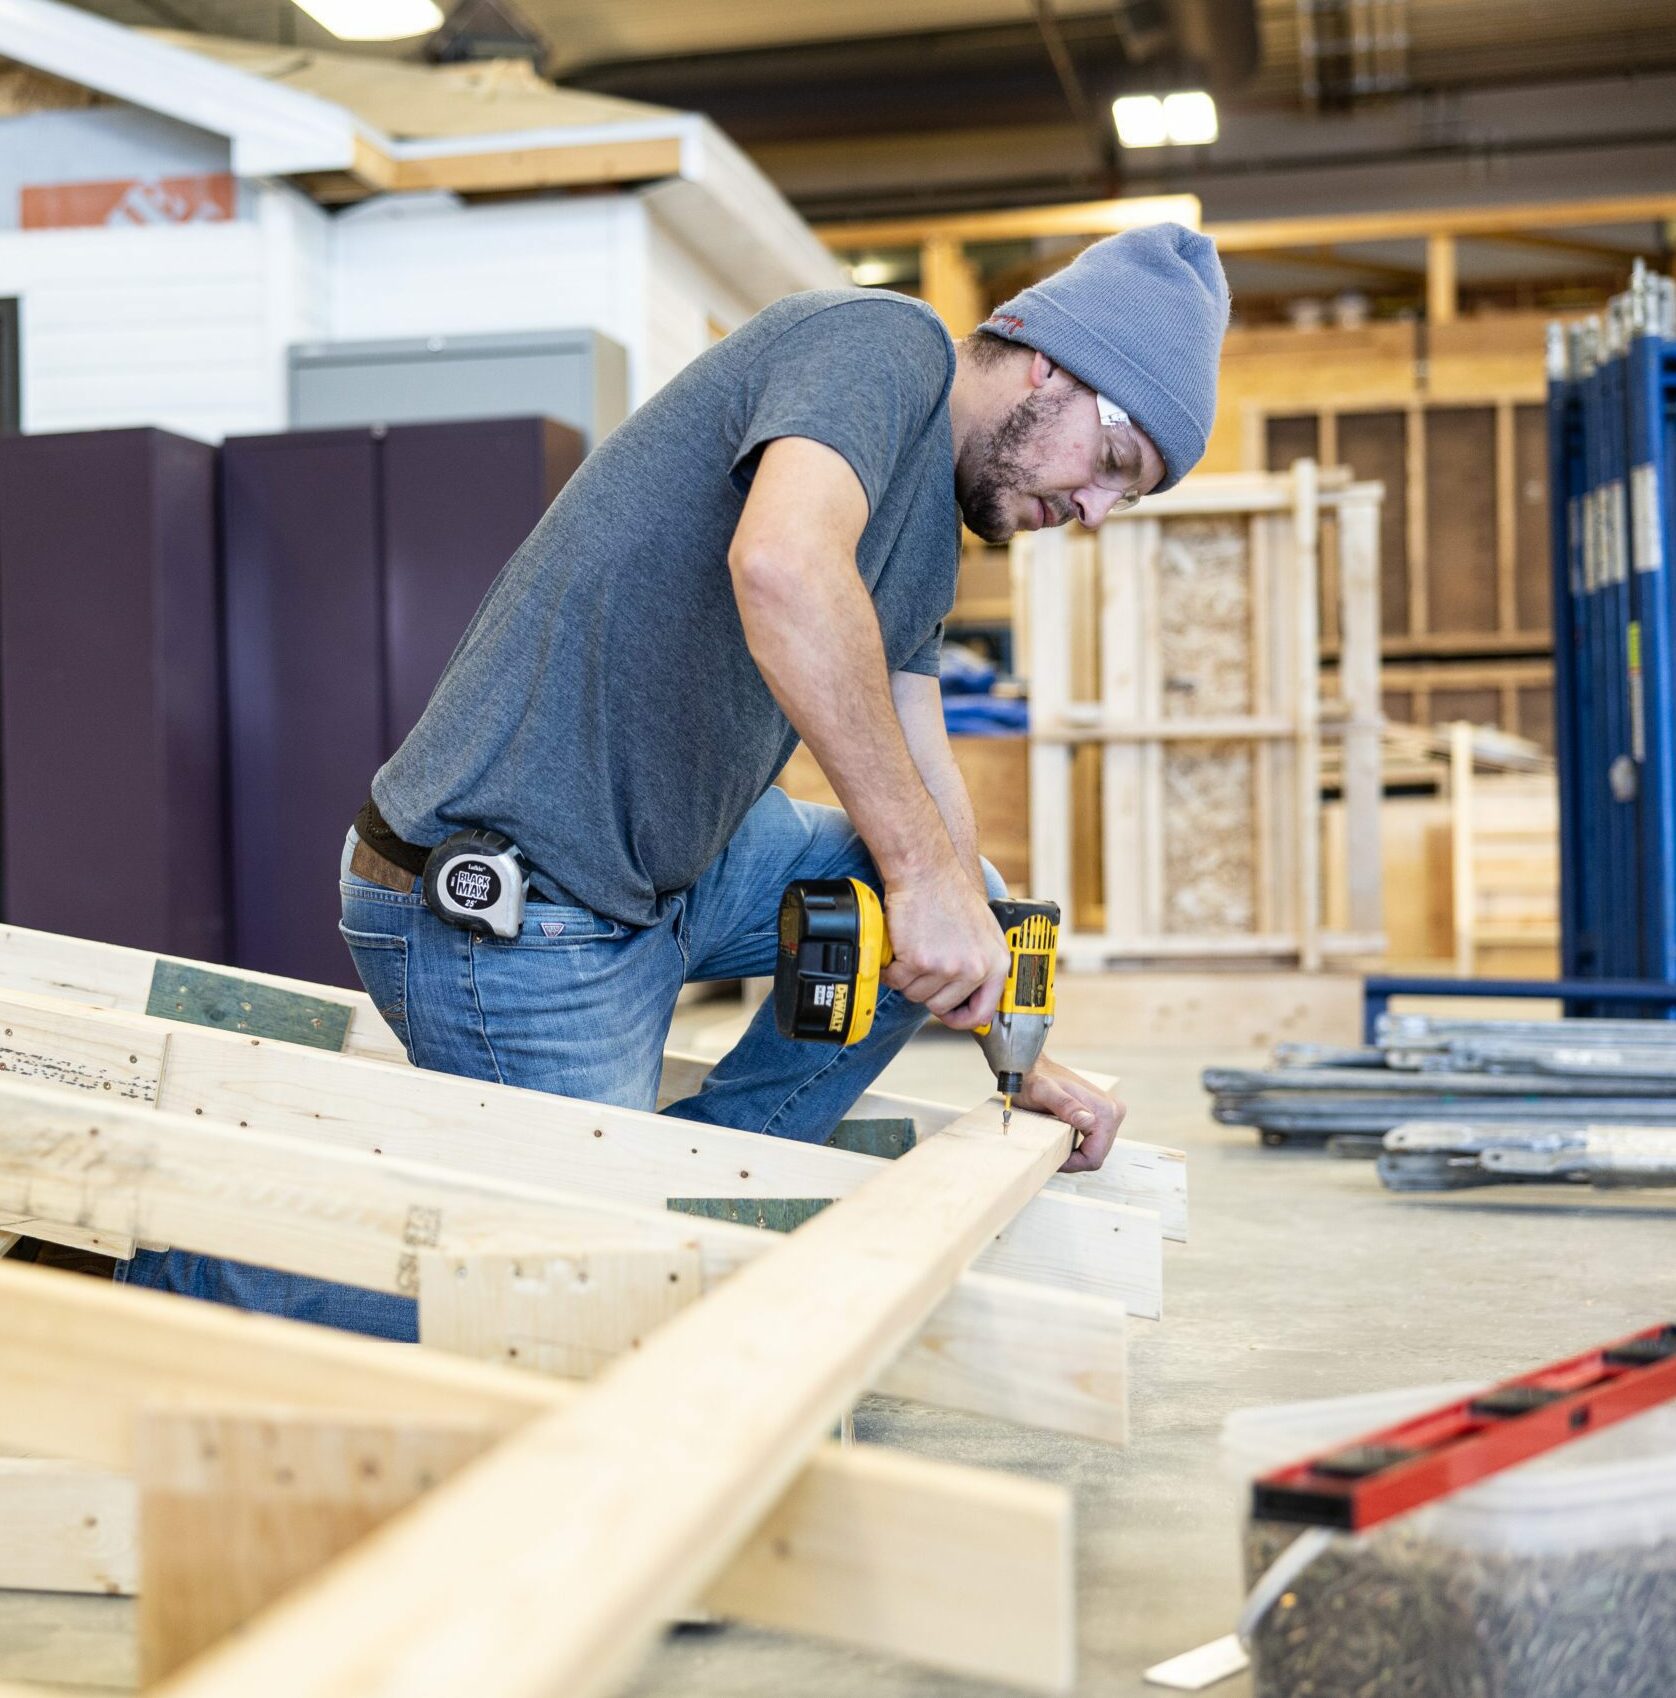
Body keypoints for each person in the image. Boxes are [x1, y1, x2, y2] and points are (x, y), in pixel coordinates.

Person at [122, 221, 1229, 1334]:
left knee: (958, 886)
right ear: (1054, 363)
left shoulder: (929, 530)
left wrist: (1009, 1045)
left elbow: (918, 751)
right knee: (580, 1298)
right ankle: (181, 1283)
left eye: (1121, 501)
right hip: (514, 896)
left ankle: (721, 1197)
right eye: (1113, 466)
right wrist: (922, 882)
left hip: (669, 870)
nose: (1092, 509)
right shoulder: (879, 342)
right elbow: (783, 567)